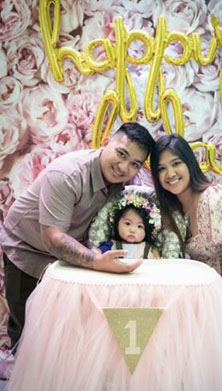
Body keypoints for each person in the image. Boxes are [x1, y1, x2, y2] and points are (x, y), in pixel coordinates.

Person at [0, 122, 155, 352]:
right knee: (27, 331)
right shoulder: (67, 173)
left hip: (67, 253)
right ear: (105, 143)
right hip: (27, 248)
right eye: (121, 154)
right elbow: (52, 237)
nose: (124, 167)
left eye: (134, 164)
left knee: (62, 331)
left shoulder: (123, 181)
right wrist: (95, 261)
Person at [150, 133, 222, 391]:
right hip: (215, 299)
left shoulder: (214, 198)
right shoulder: (174, 210)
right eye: (162, 168)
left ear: (190, 163)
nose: (170, 173)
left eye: (176, 163)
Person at [97, 192, 161, 259]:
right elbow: (97, 253)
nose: (132, 230)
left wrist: (158, 260)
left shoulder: (151, 249)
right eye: (127, 223)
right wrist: (97, 252)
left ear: (147, 231)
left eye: (139, 226)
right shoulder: (111, 245)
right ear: (117, 225)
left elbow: (158, 264)